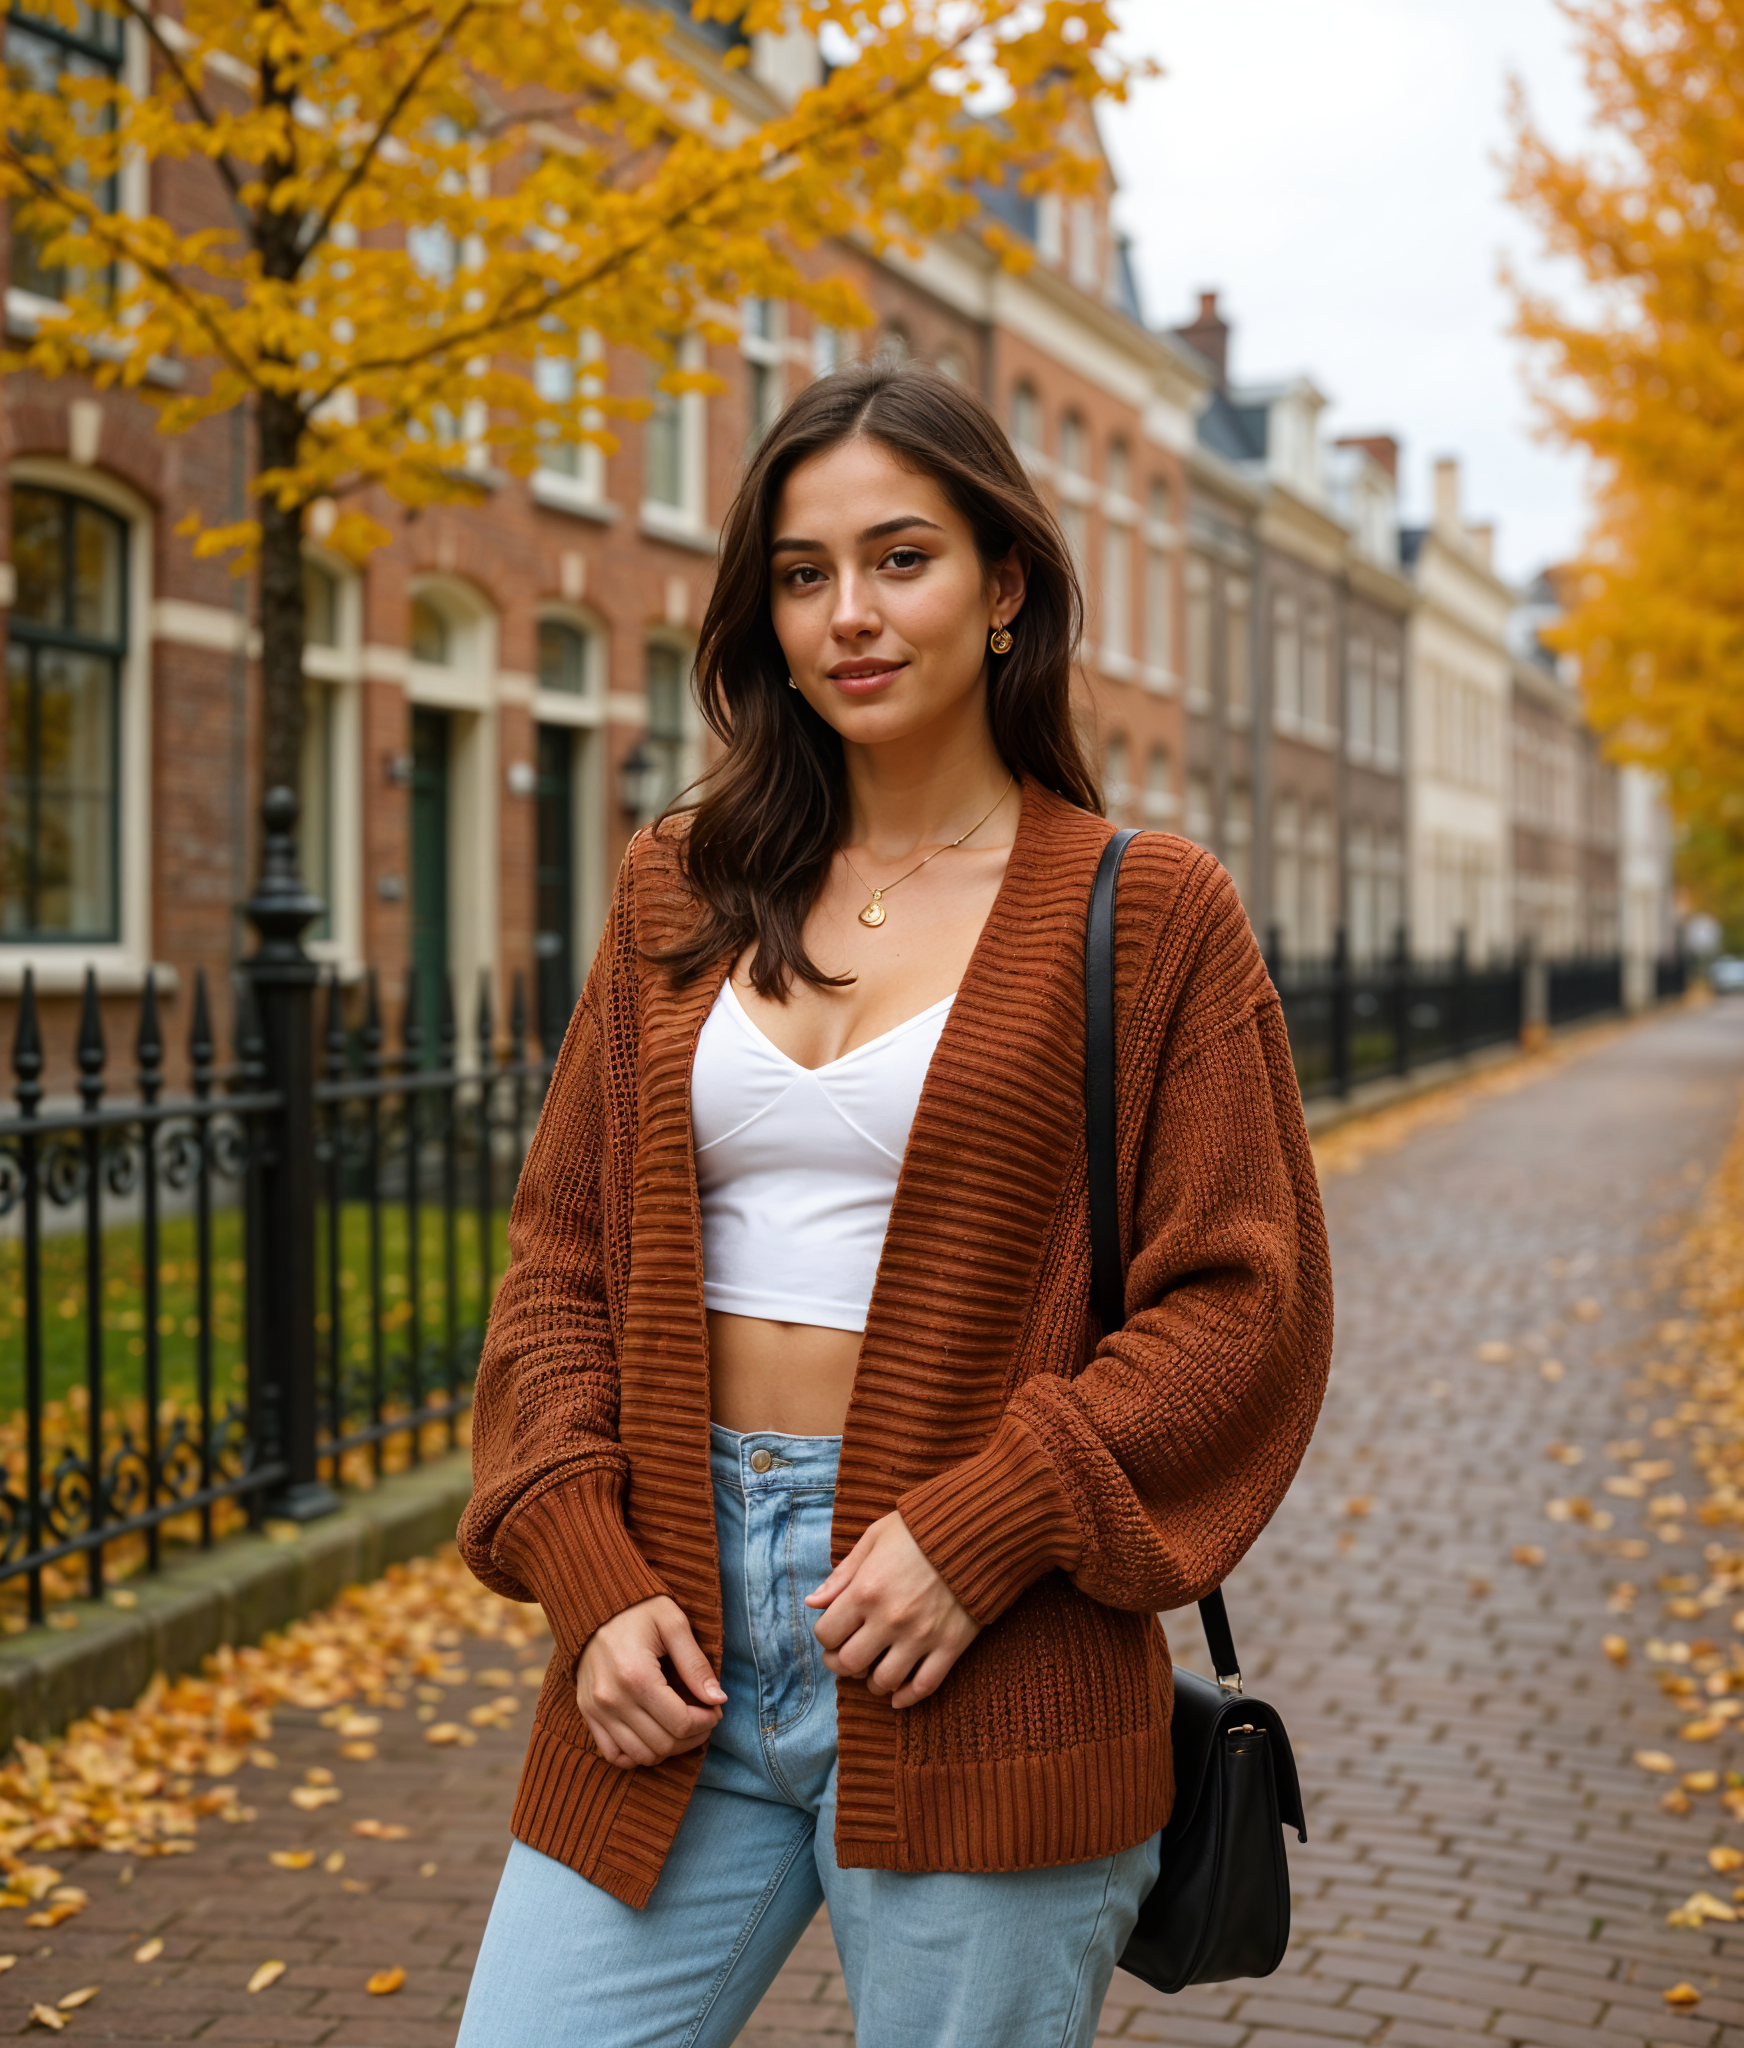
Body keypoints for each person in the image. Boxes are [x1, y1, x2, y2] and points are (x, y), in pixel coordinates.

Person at [455, 359, 1333, 2048]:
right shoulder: (683, 885)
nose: (848, 614)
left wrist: (983, 1524)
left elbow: (1246, 1303)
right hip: (667, 1631)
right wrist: (582, 1556)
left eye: (901, 559)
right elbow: (559, 1255)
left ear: (1007, 587)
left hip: (983, 1651)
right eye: (802, 573)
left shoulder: (1145, 911)